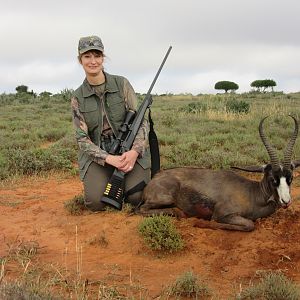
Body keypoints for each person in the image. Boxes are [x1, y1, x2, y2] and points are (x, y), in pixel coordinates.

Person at [71, 35, 151, 211]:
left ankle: (125, 185)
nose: (93, 61)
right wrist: (109, 159)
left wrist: (134, 151)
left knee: (137, 196)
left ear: (103, 57)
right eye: (87, 56)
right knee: (95, 203)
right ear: (80, 60)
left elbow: (141, 122)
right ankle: (109, 179)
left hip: (128, 149)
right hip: (100, 153)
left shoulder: (122, 84)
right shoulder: (77, 97)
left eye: (97, 55)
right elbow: (82, 140)